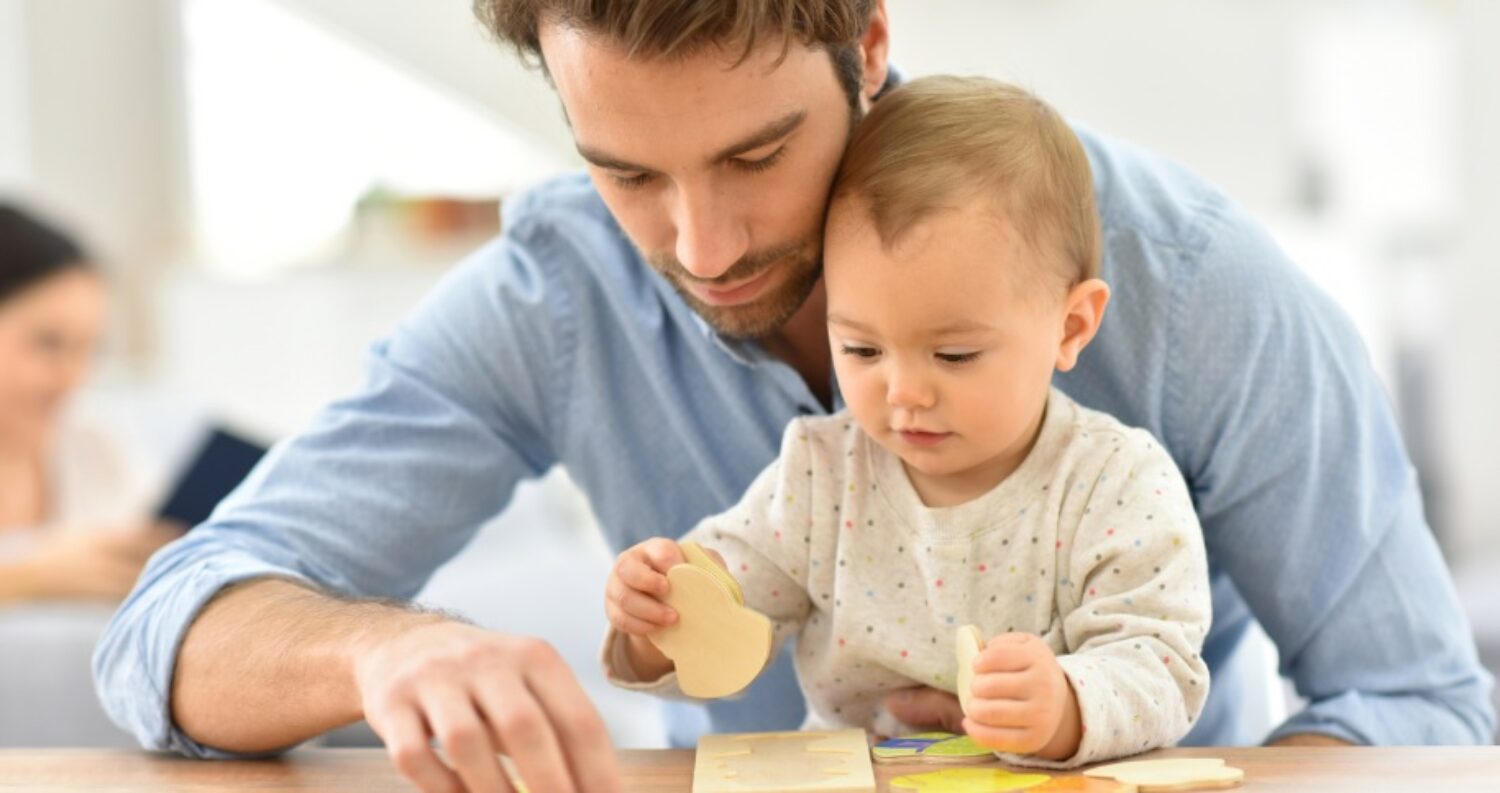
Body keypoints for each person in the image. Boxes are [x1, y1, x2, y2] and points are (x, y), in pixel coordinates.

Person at [93, 1, 1495, 792]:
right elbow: (166, 627)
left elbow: (1421, 712)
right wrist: (378, 654)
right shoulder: (558, 290)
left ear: (870, 45)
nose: (702, 251)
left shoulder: (1192, 287)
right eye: (628, 172)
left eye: (759, 155)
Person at [603, 76, 1213, 768]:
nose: (904, 394)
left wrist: (1068, 702)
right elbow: (727, 607)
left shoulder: (1116, 482)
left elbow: (1162, 664)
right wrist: (657, 612)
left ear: (1070, 326)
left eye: (954, 354)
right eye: (862, 349)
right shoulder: (821, 472)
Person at [0, 204, 178, 605]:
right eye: (48, 343)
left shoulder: (97, 448)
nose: (73, 378)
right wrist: (25, 577)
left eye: (89, 350)